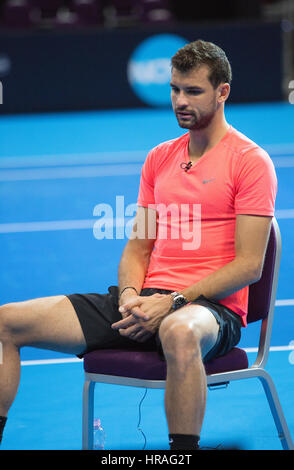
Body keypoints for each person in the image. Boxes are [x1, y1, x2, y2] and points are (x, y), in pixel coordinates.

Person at [0, 40, 277, 450]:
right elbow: (138, 247)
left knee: (180, 332)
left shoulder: (250, 162)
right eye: (175, 89)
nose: (180, 101)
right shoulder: (158, 158)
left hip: (208, 310)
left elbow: (250, 265)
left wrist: (174, 302)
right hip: (146, 302)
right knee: (7, 321)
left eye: (193, 91)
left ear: (223, 92)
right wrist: (131, 296)